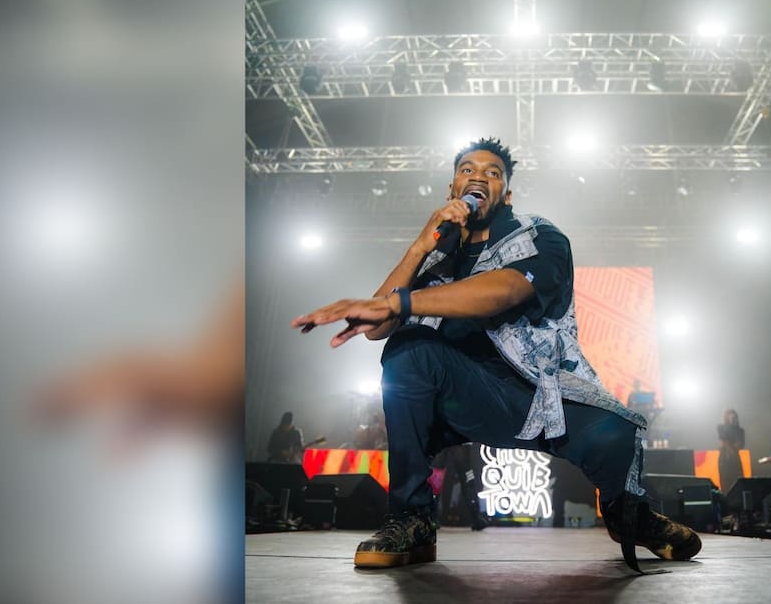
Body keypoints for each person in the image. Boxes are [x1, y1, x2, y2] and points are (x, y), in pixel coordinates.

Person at [291, 137, 700, 572]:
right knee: (408, 349)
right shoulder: (437, 257)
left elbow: (502, 291)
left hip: (540, 396)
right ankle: (413, 518)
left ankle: (627, 512)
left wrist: (398, 302)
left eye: (492, 173)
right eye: (467, 170)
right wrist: (418, 248)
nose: (479, 177)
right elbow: (377, 327)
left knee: (615, 434)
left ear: (506, 194)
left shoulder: (540, 235)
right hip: (469, 398)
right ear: (452, 189)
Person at [716, 408, 746, 490]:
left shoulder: (740, 430)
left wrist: (734, 428)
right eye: (731, 416)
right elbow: (724, 440)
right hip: (724, 459)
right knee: (725, 482)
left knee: (738, 481)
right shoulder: (721, 427)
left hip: (735, 459)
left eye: (734, 417)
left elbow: (740, 444)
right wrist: (731, 446)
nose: (733, 418)